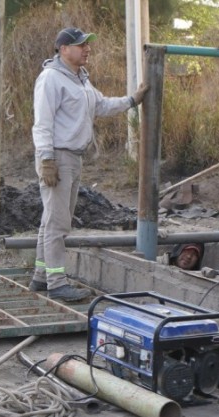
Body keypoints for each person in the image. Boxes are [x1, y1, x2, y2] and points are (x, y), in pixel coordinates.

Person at [28, 27, 149, 302]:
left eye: (87, 44)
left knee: (52, 220)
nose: (87, 48)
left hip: (71, 157)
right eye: (81, 45)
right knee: (58, 223)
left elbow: (102, 105)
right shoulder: (51, 79)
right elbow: (42, 123)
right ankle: (56, 283)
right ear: (63, 49)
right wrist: (46, 159)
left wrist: (132, 100)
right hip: (57, 157)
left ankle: (40, 276)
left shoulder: (80, 81)